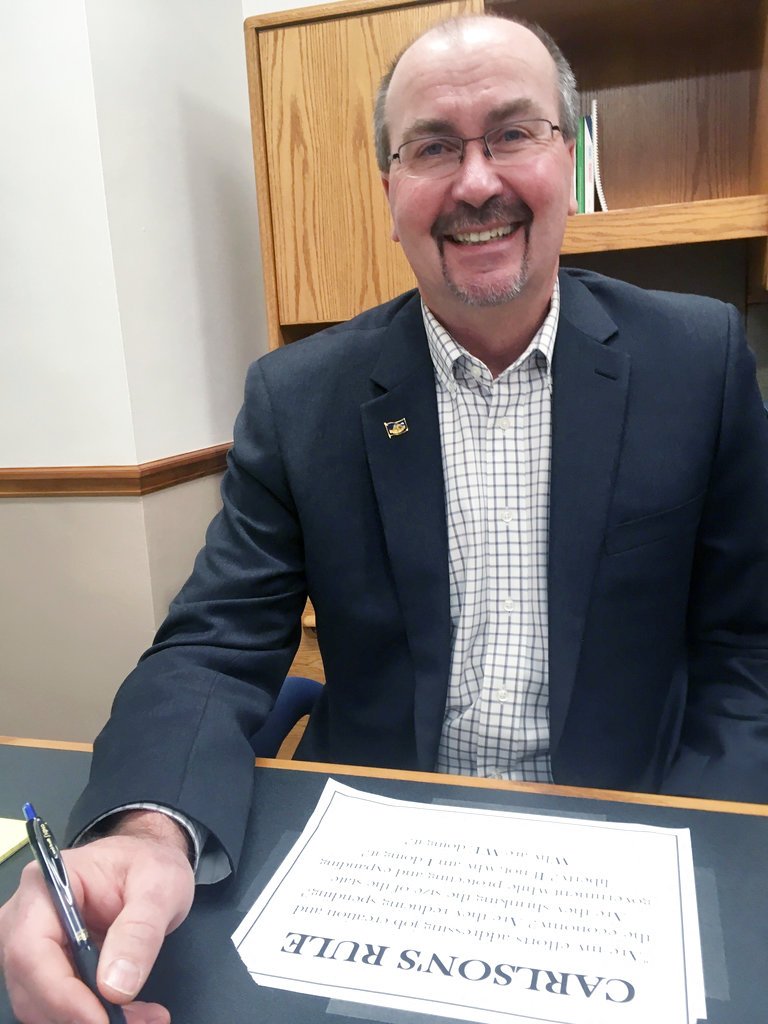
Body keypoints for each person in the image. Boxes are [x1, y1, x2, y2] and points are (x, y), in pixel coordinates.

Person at [2, 13, 768, 1024]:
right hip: (379, 866)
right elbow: (214, 646)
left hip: (617, 852)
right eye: (433, 146)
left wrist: (708, 843)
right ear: (391, 190)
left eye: (513, 132)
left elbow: (746, 648)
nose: (478, 180)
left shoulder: (698, 360)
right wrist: (147, 829)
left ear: (568, 153)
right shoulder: (301, 396)